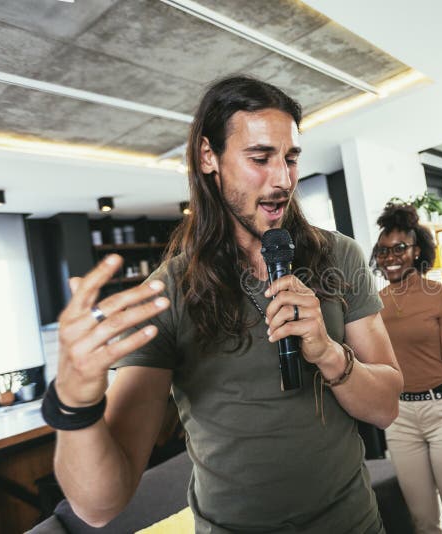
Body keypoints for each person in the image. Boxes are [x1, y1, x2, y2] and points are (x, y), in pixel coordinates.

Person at [46, 76, 403, 533]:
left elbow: (387, 407)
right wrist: (74, 404)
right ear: (209, 157)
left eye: (291, 158)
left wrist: (329, 353)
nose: (283, 179)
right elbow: (100, 506)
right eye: (260, 158)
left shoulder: (341, 256)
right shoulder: (169, 292)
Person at [372, 203, 442, 534]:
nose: (390, 257)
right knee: (422, 522)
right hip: (400, 418)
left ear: (417, 250)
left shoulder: (440, 295)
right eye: (383, 250)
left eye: (399, 249)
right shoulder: (375, 302)